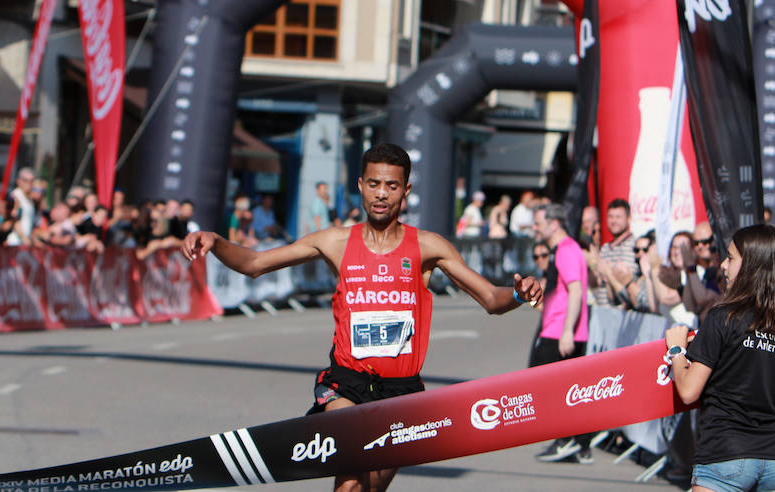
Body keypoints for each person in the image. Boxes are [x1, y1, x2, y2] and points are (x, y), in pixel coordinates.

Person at [183, 142, 543, 492]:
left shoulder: (429, 247)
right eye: (373, 184)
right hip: (346, 384)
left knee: (371, 485)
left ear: (406, 190)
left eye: (391, 185)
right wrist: (215, 240)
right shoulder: (335, 241)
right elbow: (256, 263)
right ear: (361, 186)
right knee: (352, 479)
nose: (381, 194)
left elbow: (490, 299)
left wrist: (517, 293)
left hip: (402, 393)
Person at [665, 224, 775, 492]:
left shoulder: (723, 318)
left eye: (731, 258)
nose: (722, 266)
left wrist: (676, 350)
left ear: (752, 266)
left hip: (725, 455)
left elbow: (687, 391)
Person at [531, 202, 594, 464]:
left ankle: (568, 440)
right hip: (556, 328)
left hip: (561, 333)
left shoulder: (566, 249)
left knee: (551, 390)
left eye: (538, 223)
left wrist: (567, 331)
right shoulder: (563, 249)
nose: (535, 227)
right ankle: (574, 443)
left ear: (553, 223)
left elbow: (577, 290)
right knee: (561, 389)